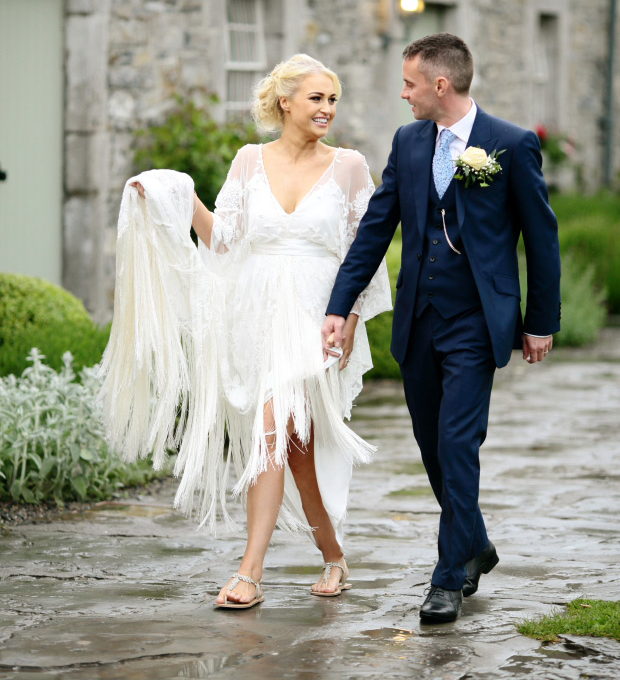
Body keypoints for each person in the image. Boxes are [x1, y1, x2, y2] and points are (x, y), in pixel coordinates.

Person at [100, 54, 391, 610]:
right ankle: (333, 556)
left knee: (270, 432)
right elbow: (225, 241)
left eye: (332, 99)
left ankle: (249, 572)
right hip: (255, 317)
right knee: (297, 451)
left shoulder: (350, 166)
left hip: (316, 317)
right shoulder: (247, 160)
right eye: (316, 98)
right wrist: (177, 197)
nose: (327, 108)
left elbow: (367, 253)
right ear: (285, 102)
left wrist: (350, 320)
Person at [322, 33, 561, 624]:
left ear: (440, 85)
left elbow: (542, 237)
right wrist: (338, 304)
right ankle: (476, 542)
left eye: (408, 84)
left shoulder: (510, 144)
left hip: (477, 321)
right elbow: (376, 230)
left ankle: (447, 577)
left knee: (458, 443)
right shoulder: (407, 142)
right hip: (419, 320)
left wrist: (540, 322)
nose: (402, 94)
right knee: (433, 447)